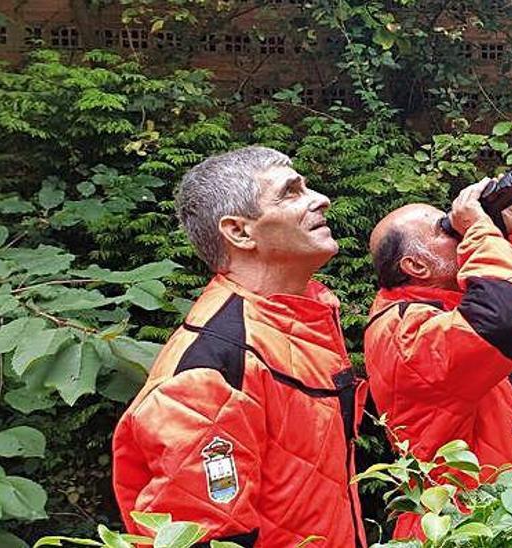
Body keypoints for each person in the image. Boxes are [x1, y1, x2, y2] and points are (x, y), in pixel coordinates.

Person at [111, 146, 368, 547]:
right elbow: (203, 537)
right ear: (239, 232)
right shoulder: (209, 370)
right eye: (291, 192)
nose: (321, 199)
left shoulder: (301, 321)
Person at [363, 180, 512, 541]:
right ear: (416, 265)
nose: (458, 231)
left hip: (497, 514)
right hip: (462, 524)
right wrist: (479, 230)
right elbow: (501, 319)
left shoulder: (444, 306)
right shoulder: (405, 331)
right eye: (444, 229)